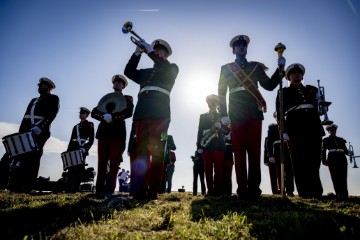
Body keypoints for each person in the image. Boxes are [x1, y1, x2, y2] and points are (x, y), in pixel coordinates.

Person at [218, 35, 285, 199]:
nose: (241, 48)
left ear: (246, 48)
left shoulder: (256, 67)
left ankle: (254, 189)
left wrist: (280, 70)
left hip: (254, 112)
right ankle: (242, 189)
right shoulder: (226, 68)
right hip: (235, 112)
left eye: (244, 45)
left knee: (254, 152)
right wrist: (224, 114)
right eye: (238, 46)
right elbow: (221, 92)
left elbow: (269, 86)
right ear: (233, 50)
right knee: (239, 152)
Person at [124, 38, 179, 200]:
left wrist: (149, 51)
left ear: (166, 55)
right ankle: (140, 191)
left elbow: (162, 64)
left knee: (157, 153)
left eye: (161, 51)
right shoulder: (146, 72)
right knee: (141, 153)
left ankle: (153, 191)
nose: (158, 52)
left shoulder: (171, 68)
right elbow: (129, 72)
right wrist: (136, 54)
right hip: (142, 114)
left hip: (160, 116)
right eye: (156, 50)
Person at [1, 77, 59, 193]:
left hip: (40, 132)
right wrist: (20, 133)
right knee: (19, 157)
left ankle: (27, 186)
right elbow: (25, 117)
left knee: (32, 158)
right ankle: (15, 186)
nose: (39, 87)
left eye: (42, 85)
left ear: (49, 87)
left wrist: (41, 127)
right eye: (39, 85)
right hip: (26, 131)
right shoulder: (34, 100)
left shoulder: (53, 98)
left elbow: (52, 114)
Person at [276, 63, 325, 198]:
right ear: (289, 77)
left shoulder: (313, 89)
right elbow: (280, 113)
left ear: (302, 75)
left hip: (313, 127)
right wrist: (283, 131)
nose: (297, 75)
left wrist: (324, 108)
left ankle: (316, 191)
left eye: (299, 73)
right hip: (294, 129)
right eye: (293, 73)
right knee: (298, 161)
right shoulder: (283, 92)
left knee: (314, 161)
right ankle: (304, 192)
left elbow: (320, 108)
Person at [91, 74, 134, 196]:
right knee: (102, 162)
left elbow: (128, 112)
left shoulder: (127, 99)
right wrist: (103, 116)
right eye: (115, 82)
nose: (117, 84)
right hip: (104, 132)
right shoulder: (106, 98)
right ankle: (99, 189)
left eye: (119, 82)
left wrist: (113, 117)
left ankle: (109, 189)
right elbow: (94, 112)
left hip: (117, 133)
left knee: (114, 163)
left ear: (123, 86)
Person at [197, 94, 228, 196]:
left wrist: (222, 127)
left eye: (214, 101)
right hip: (207, 145)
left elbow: (228, 131)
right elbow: (199, 132)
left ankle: (218, 191)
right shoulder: (202, 116)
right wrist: (199, 147)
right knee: (208, 171)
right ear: (207, 103)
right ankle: (210, 191)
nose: (212, 104)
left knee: (219, 170)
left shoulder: (222, 116)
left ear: (217, 103)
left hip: (219, 145)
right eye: (209, 102)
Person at [65, 107, 94, 192]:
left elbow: (91, 140)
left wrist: (85, 149)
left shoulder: (90, 124)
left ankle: (75, 188)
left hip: (82, 148)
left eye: (83, 113)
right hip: (73, 147)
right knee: (71, 169)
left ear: (87, 115)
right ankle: (68, 188)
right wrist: (68, 151)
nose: (80, 115)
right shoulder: (76, 127)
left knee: (79, 169)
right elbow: (71, 140)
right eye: (80, 113)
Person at [266, 118, 294, 196]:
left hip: (286, 147)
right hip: (277, 148)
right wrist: (270, 154)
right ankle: (282, 189)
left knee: (289, 170)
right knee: (279, 170)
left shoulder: (286, 125)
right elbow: (269, 142)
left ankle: (290, 190)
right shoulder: (272, 127)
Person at [322, 124, 349, 199]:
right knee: (335, 177)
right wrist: (323, 160)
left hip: (342, 159)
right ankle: (339, 194)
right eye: (331, 130)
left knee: (343, 177)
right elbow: (323, 151)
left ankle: (345, 194)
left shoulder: (341, 139)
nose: (333, 131)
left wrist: (349, 152)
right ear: (329, 131)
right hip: (332, 159)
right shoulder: (326, 140)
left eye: (334, 130)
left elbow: (346, 151)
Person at [223, 132, 234, 196]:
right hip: (221, 157)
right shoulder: (220, 133)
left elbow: (234, 147)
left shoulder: (231, 134)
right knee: (222, 175)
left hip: (229, 158)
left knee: (228, 176)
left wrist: (228, 141)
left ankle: (229, 193)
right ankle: (223, 192)